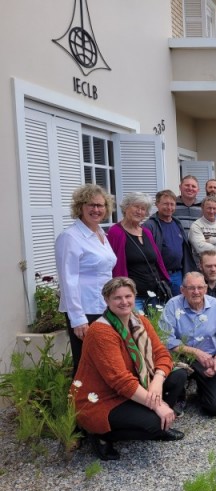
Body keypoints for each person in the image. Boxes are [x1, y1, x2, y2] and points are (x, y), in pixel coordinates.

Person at [73, 277, 186, 461]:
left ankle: (154, 416)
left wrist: (157, 383)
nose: (124, 302)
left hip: (134, 387)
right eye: (117, 298)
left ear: (134, 297)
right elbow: (120, 381)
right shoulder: (101, 331)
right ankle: (101, 434)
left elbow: (162, 354)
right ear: (107, 300)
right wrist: (157, 405)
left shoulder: (139, 321)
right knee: (155, 424)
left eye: (128, 296)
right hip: (104, 398)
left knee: (178, 376)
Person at [55, 185, 117, 373]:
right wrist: (78, 319)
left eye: (100, 205)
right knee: (85, 363)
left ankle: (102, 402)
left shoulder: (100, 234)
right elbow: (68, 280)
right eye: (91, 205)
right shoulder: (70, 237)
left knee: (104, 362)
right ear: (80, 207)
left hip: (104, 306)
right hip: (85, 309)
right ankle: (79, 402)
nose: (96, 210)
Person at [160, 272, 216, 417]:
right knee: (178, 374)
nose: (196, 292)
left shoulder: (215, 305)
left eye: (200, 287)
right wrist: (195, 352)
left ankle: (201, 391)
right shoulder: (173, 305)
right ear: (182, 290)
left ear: (205, 288)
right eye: (191, 288)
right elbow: (166, 338)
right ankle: (179, 395)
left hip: (208, 359)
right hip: (180, 357)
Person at [108, 192, 170, 311]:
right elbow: (114, 266)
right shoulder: (115, 232)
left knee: (157, 328)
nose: (139, 211)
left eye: (143, 209)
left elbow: (157, 261)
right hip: (132, 297)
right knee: (136, 328)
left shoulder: (146, 232)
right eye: (136, 207)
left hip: (154, 294)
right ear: (126, 207)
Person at [145, 189, 197, 296]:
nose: (169, 207)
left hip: (177, 274)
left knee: (177, 307)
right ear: (157, 204)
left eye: (172, 204)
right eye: (165, 204)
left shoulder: (177, 223)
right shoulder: (149, 226)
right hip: (159, 276)